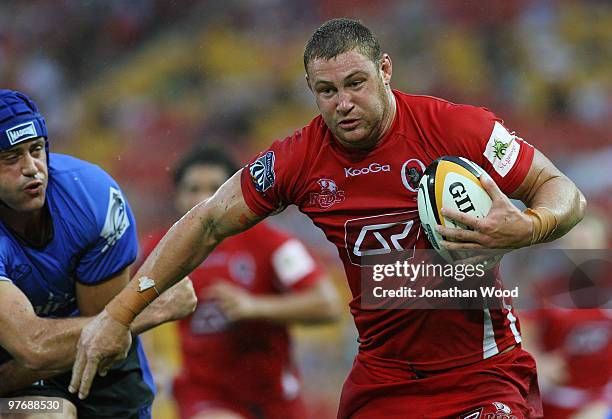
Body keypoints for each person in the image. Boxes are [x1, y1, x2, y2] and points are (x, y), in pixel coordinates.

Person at [70, 18, 587, 418]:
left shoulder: (455, 128)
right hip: (383, 381)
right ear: (311, 90)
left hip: (482, 371)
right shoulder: (299, 159)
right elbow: (206, 222)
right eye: (327, 91)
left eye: (357, 83)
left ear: (385, 70)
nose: (344, 103)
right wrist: (117, 316)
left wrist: (530, 225)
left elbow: (564, 192)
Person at [0, 88, 198, 419]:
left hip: (77, 352)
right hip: (13, 375)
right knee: (48, 414)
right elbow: (33, 347)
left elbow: (104, 343)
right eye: (11, 158)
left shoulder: (92, 198)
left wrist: (114, 324)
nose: (32, 168)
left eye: (36, 150)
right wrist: (151, 309)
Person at [140, 146, 340, 419]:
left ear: (233, 194)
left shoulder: (272, 243)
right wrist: (146, 361)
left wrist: (254, 307)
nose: (204, 199)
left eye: (215, 188)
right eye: (193, 189)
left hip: (274, 397)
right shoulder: (160, 250)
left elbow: (328, 304)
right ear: (178, 197)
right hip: (204, 394)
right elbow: (127, 305)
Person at [521, 210, 612, 419]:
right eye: (575, 244)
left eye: (589, 244)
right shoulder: (547, 289)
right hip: (553, 398)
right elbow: (524, 333)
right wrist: (540, 361)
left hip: (602, 399)